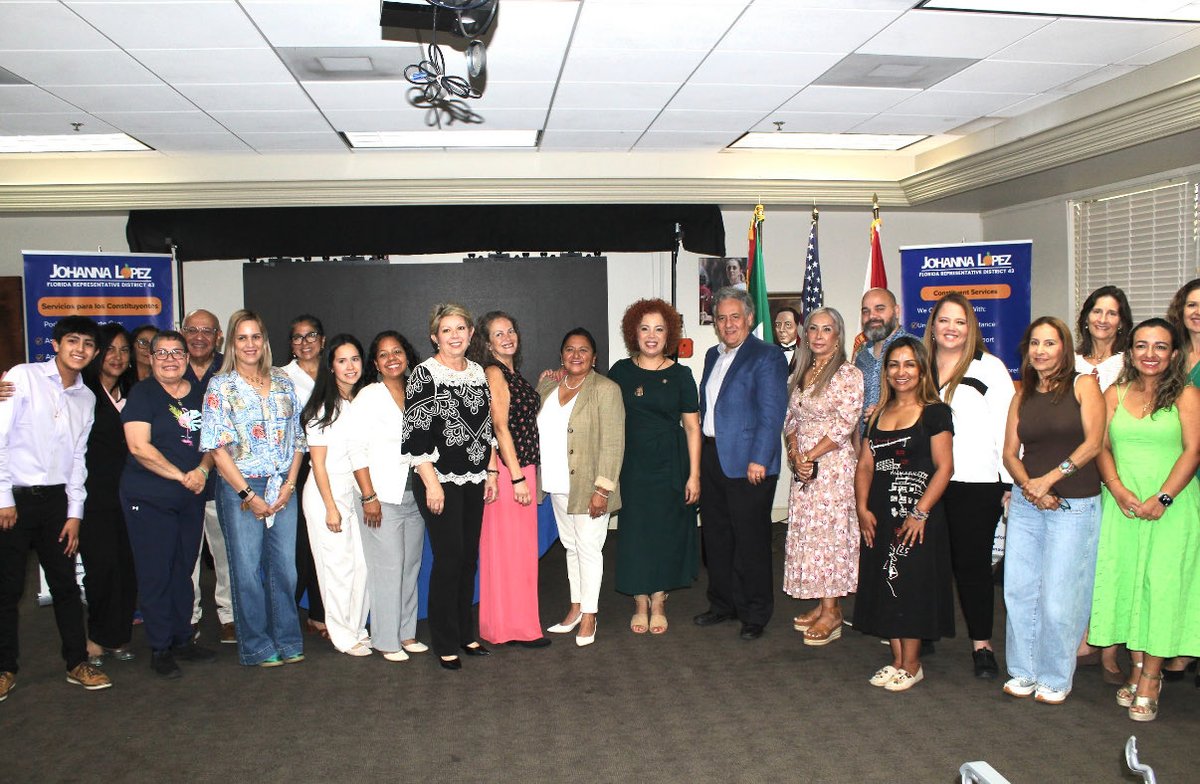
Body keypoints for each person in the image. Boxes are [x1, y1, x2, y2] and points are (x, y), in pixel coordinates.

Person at [1089, 318, 1200, 722]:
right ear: (1130, 351)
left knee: (1162, 588)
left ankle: (1151, 677)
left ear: (1173, 353)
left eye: (1160, 346)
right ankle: (1136, 667)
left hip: (1172, 505)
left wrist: (1164, 497)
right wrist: (1118, 489)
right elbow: (1099, 445)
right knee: (1129, 584)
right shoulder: (1112, 393)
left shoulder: (1187, 395)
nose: (1150, 354)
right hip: (1123, 504)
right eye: (1141, 346)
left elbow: (1193, 451)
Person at [0, 316, 111, 698]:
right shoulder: (22, 377)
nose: (79, 349)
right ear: (57, 344)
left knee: (65, 586)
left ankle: (77, 662)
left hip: (57, 503)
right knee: (7, 589)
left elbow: (78, 459)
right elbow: (0, 438)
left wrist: (75, 514)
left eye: (87, 344)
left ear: (95, 353)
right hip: (13, 500)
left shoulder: (87, 398)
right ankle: (4, 668)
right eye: (72, 341)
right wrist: (3, 499)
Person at [1001, 317, 1104, 705]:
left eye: (1050, 343)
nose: (1041, 351)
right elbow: (1010, 454)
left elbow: (1094, 443)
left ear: (1065, 348)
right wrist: (1032, 485)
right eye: (1035, 344)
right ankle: (1024, 671)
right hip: (1028, 502)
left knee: (1061, 596)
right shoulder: (1022, 394)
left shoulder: (1084, 385)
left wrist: (1049, 480)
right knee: (1020, 591)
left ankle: (1056, 676)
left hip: (1074, 503)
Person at [200, 309, 306, 667]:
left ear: (265, 341)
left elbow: (299, 440)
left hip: (282, 486)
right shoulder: (221, 385)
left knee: (285, 570)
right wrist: (248, 494)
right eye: (242, 338)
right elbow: (217, 446)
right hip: (240, 488)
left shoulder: (283, 382)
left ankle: (289, 639)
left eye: (255, 337)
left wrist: (289, 486)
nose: (249, 344)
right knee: (246, 571)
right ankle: (258, 646)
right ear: (232, 342)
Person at [853, 337, 954, 692]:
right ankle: (896, 659)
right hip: (880, 512)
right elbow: (865, 465)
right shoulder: (878, 413)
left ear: (923, 369)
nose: (901, 372)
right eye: (894, 364)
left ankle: (912, 664)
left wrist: (919, 513)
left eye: (909, 364)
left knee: (911, 586)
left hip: (918, 517)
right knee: (886, 582)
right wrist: (862, 508)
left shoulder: (935, 412)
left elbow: (945, 468)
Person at [402, 303, 498, 671]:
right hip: (437, 479)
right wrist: (432, 484)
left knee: (468, 558)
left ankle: (464, 633)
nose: (455, 335)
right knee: (449, 559)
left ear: (472, 334)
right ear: (434, 336)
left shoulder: (476, 371)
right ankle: (444, 640)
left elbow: (486, 427)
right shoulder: (424, 375)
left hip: (473, 479)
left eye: (461, 328)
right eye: (447, 330)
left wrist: (491, 471)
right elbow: (415, 436)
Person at [924, 293, 1014, 679]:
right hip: (927, 481)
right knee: (927, 561)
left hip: (976, 482)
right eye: (944, 320)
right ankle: (924, 629)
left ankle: (982, 646)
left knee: (972, 566)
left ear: (971, 326)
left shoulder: (989, 367)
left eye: (959, 321)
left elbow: (1008, 426)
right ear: (933, 325)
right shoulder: (921, 366)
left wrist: (1008, 481)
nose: (951, 328)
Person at [121, 330, 217, 678]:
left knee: (183, 570)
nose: (170, 359)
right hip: (149, 499)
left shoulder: (201, 395)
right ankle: (160, 646)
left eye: (177, 352)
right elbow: (138, 447)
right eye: (161, 353)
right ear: (150, 357)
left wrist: (203, 472)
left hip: (190, 498)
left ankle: (182, 638)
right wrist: (182, 476)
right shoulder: (142, 394)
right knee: (156, 572)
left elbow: (213, 442)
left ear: (187, 357)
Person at [694, 287, 788, 641]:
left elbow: (771, 412)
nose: (728, 324)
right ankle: (723, 604)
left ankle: (755, 613)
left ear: (749, 318)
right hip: (713, 457)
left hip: (751, 464)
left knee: (750, 541)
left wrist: (759, 458)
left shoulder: (767, 356)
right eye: (721, 318)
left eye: (735, 317)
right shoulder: (710, 356)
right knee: (716, 537)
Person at [609, 299, 700, 635]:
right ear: (634, 332)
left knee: (665, 531)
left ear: (669, 335)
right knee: (635, 532)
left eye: (659, 329)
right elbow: (598, 401)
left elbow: (692, 427)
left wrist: (694, 474)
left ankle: (659, 600)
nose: (652, 335)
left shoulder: (681, 374)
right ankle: (639, 600)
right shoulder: (620, 371)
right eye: (645, 328)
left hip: (671, 463)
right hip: (632, 464)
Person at [537, 327, 625, 647]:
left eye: (583, 350)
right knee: (571, 547)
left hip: (590, 487)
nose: (576, 355)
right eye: (570, 349)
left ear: (594, 357)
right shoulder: (548, 385)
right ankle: (575, 607)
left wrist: (602, 490)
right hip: (559, 483)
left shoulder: (606, 389)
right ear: (561, 355)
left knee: (589, 549)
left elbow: (614, 444)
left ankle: (590, 614)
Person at [468, 312, 550, 648]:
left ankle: (507, 626)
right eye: (498, 334)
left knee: (516, 554)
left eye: (511, 330)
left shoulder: (514, 374)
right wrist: (516, 478)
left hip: (520, 469)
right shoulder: (493, 372)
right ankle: (510, 627)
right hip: (509, 472)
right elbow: (498, 427)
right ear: (487, 343)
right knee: (508, 553)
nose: (507, 337)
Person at [783, 307, 863, 646]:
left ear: (838, 336)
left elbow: (845, 423)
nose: (818, 335)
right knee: (811, 538)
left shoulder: (848, 374)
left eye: (826, 329)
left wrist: (810, 455)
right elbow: (790, 418)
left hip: (832, 468)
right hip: (804, 468)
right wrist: (793, 453)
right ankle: (822, 602)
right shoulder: (802, 371)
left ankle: (833, 611)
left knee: (830, 536)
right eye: (813, 328)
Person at [349, 331, 427, 661]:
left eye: (397, 351)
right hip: (380, 496)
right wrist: (369, 496)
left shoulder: (418, 392)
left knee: (410, 566)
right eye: (383, 354)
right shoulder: (369, 396)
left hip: (415, 496)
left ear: (407, 356)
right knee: (388, 569)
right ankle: (385, 639)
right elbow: (355, 449)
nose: (392, 358)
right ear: (376, 363)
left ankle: (406, 633)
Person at [1072, 285, 1133, 683]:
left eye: (1112, 313)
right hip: (1073, 469)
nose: (1103, 319)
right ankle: (1080, 635)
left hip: (1115, 469)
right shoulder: (1069, 359)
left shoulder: (1131, 363)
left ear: (1122, 321)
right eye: (1097, 310)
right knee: (1080, 561)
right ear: (1086, 316)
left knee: (1111, 560)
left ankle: (1108, 647)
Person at [301, 334, 371, 656]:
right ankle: (342, 635)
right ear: (331, 366)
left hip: (353, 492)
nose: (350, 366)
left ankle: (357, 628)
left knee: (361, 566)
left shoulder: (359, 402)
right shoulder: (321, 407)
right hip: (326, 493)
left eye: (355, 359)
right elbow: (317, 464)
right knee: (337, 569)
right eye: (342, 360)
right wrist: (331, 508)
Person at [80, 323, 138, 667]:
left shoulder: (133, 391)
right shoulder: (81, 391)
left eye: (124, 350)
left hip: (130, 495)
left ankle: (118, 637)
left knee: (127, 567)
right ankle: (95, 638)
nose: (117, 357)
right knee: (101, 569)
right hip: (93, 497)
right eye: (110, 349)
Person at [182, 308, 235, 645]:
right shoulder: (170, 368)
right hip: (181, 482)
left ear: (218, 336)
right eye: (192, 330)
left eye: (207, 330)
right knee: (186, 556)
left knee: (226, 554)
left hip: (222, 482)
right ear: (183, 333)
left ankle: (229, 616)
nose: (199, 336)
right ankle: (188, 616)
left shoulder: (228, 370)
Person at [281, 314, 327, 639]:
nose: (305, 342)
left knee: (327, 542)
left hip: (333, 466)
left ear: (322, 340)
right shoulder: (280, 377)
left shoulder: (337, 371)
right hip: (296, 465)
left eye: (311, 336)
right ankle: (284, 618)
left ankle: (321, 614)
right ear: (291, 345)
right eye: (297, 337)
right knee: (299, 546)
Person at [854, 288, 913, 431]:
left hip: (905, 444)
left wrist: (886, 412)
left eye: (879, 309)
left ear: (897, 311)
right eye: (865, 311)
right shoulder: (861, 356)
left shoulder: (916, 349)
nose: (872, 316)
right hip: (866, 448)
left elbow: (925, 400)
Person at [774, 306, 801, 372]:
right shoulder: (770, 353)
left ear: (797, 326)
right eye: (778, 325)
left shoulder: (806, 353)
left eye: (788, 324)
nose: (781, 329)